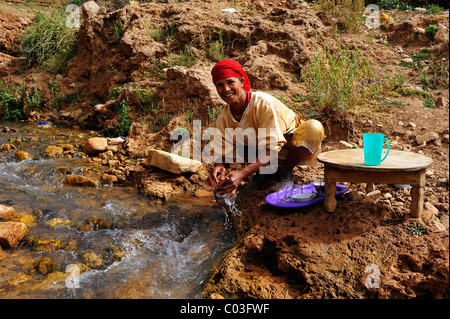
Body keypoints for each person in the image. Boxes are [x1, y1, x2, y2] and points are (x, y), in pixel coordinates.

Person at [206, 59, 324, 197]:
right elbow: (222, 148)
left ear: (242, 82)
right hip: (263, 154)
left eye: (230, 82)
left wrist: (242, 174)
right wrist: (218, 166)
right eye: (220, 85)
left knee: (314, 127)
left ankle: (285, 171)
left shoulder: (262, 103)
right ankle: (263, 174)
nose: (226, 89)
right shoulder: (224, 116)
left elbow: (272, 149)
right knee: (238, 139)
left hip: (288, 147)